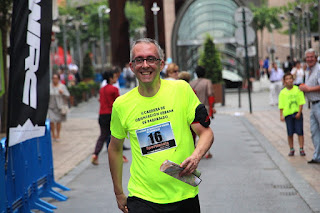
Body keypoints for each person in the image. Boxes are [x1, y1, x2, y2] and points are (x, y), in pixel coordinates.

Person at [108, 38, 214, 213]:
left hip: (183, 193)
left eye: (151, 59)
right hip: (142, 198)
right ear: (131, 66)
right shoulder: (121, 105)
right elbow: (115, 149)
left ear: (161, 64)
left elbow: (206, 133)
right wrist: (118, 192)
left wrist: (196, 156)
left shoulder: (181, 90)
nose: (145, 65)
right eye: (139, 60)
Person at [91, 70, 128, 165]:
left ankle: (95, 154)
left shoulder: (102, 90)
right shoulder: (114, 89)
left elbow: (100, 100)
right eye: (114, 77)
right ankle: (120, 157)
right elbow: (118, 103)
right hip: (111, 115)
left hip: (102, 115)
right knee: (115, 137)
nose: (116, 79)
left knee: (103, 136)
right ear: (110, 78)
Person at [299, 48, 320, 164]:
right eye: (307, 57)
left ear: (316, 57)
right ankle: (317, 156)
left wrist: (309, 89)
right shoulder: (309, 70)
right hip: (313, 105)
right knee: (314, 131)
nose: (309, 59)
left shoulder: (318, 69)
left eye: (311, 57)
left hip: (319, 102)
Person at [190, 66, 215, 159]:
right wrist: (212, 109)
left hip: (193, 109)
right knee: (205, 130)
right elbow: (210, 95)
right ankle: (206, 152)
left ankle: (196, 148)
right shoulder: (207, 82)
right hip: (205, 108)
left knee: (195, 130)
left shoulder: (191, 83)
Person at [279, 73, 306, 156]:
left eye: (290, 78)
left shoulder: (297, 90)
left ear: (293, 80)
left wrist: (299, 112)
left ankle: (301, 148)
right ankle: (291, 148)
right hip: (288, 114)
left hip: (297, 113)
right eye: (286, 79)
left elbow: (301, 102)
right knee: (290, 133)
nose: (289, 80)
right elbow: (281, 105)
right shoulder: (282, 92)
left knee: (300, 131)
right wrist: (281, 115)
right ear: (284, 81)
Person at [48, 73, 70, 142]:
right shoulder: (49, 86)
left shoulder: (62, 86)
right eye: (53, 78)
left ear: (59, 79)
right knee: (51, 120)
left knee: (58, 121)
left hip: (59, 106)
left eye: (56, 78)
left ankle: (58, 134)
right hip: (51, 106)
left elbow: (68, 95)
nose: (55, 80)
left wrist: (62, 92)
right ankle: (53, 134)